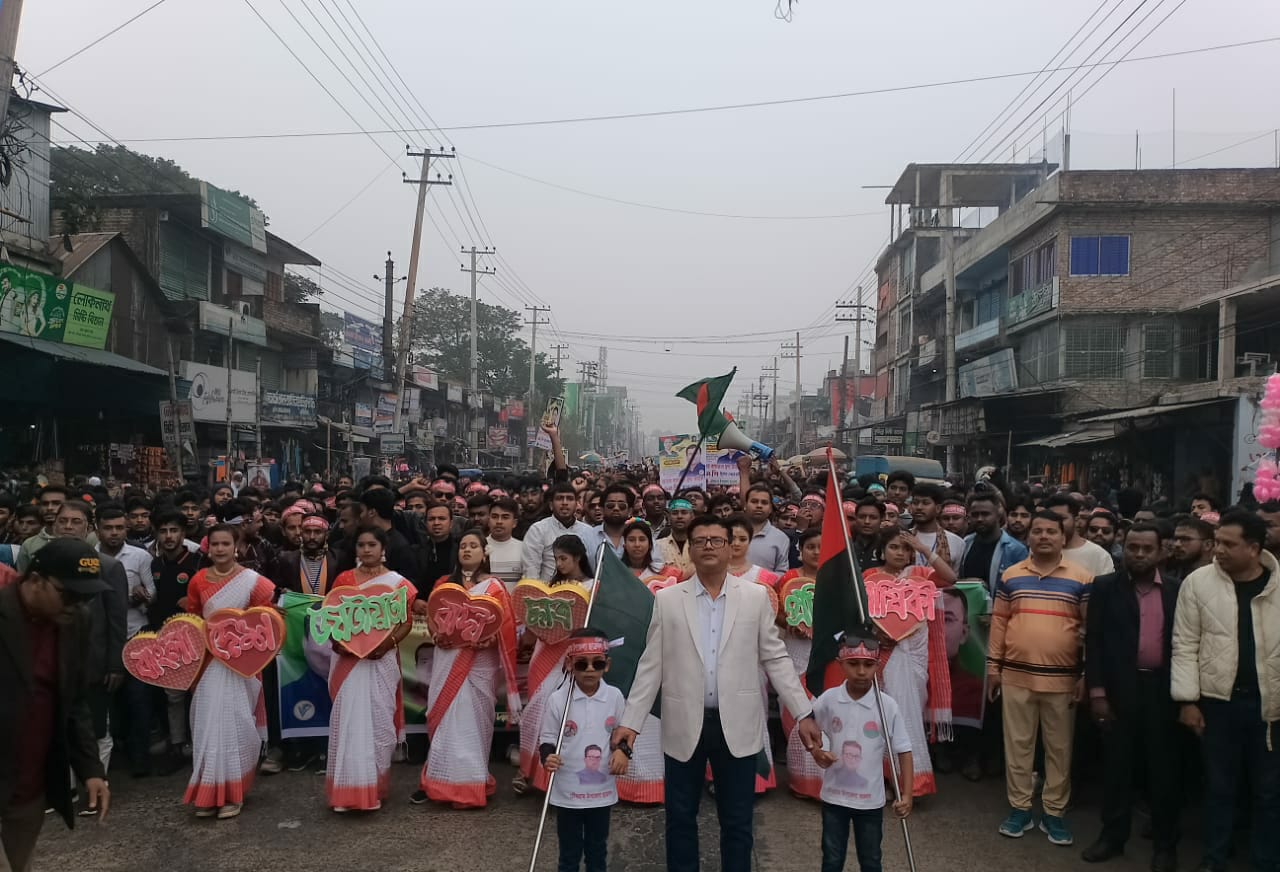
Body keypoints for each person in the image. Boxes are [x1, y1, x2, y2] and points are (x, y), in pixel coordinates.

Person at [612, 515, 821, 872]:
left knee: (737, 822)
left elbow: (776, 658)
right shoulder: (668, 600)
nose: (708, 546)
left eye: (716, 540)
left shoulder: (755, 597)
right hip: (683, 724)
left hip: (737, 725)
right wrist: (630, 723)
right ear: (690, 550)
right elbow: (651, 666)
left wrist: (803, 713)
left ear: (730, 547)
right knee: (680, 818)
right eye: (700, 541)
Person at [1171, 509, 1279, 872]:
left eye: (1229, 544)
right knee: (1219, 788)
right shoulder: (1198, 583)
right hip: (1218, 704)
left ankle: (1265, 861)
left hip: (1270, 706)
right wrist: (1187, 700)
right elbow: (1184, 643)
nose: (1218, 550)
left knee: (1269, 792)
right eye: (1217, 542)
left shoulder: (1277, 583)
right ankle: (1213, 859)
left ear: (1254, 548)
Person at [0, 539, 112, 872]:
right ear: (35, 580)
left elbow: (74, 701)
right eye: (69, 594)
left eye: (85, 597)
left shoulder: (75, 621)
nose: (77, 604)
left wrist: (91, 769)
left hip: (28, 785)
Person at [988, 510, 1092, 846]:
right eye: (1037, 531)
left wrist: (1085, 674)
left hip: (1063, 681)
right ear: (1028, 537)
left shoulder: (1082, 578)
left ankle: (1054, 812)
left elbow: (1089, 630)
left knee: (1059, 750)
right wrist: (993, 668)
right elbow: (999, 623)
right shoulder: (1012, 575)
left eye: (1051, 531)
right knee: (1017, 746)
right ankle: (1019, 808)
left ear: (1064, 537)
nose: (1044, 536)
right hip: (1015, 675)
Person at [1082, 523, 1181, 872]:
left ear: (1161, 552)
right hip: (1118, 691)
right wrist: (1097, 693)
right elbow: (1094, 641)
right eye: (1133, 547)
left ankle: (1166, 846)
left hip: (1163, 692)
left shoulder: (1177, 590)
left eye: (1146, 549)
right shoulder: (1105, 587)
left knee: (1164, 772)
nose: (1138, 554)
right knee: (1117, 768)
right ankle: (1112, 837)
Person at [420, 528, 520, 807]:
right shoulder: (444, 583)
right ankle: (441, 784)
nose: (466, 550)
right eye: (463, 545)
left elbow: (505, 627)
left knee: (473, 721)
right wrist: (437, 635)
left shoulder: (495, 587)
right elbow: (433, 618)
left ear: (484, 553)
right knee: (445, 717)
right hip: (448, 657)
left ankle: (470, 786)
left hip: (479, 663)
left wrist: (488, 639)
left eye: (473, 546)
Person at [183, 524, 278, 819]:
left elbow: (266, 621)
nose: (220, 549)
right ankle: (208, 792)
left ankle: (233, 794)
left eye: (226, 544)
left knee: (235, 725)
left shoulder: (254, 582)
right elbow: (193, 620)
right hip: (208, 665)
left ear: (236, 547)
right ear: (208, 548)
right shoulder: (198, 580)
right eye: (215, 544)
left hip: (241, 665)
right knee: (207, 725)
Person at [324, 527, 416, 813]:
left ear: (383, 548)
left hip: (381, 660)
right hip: (348, 661)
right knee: (348, 722)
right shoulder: (343, 579)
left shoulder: (398, 583)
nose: (366, 549)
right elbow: (332, 615)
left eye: (372, 544)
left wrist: (386, 644)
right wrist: (338, 643)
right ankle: (346, 791)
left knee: (378, 722)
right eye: (361, 544)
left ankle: (373, 788)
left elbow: (406, 622)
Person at [808, 628, 913, 872]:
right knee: (832, 859)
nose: (862, 671)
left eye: (868, 664)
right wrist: (817, 752)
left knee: (871, 860)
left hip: (870, 802)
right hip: (834, 798)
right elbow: (810, 729)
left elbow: (904, 750)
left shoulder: (887, 706)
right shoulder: (829, 700)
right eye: (853, 664)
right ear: (840, 664)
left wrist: (907, 794)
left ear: (878, 665)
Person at [539, 629, 628, 872]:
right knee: (569, 854)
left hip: (601, 792)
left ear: (607, 665)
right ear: (570, 664)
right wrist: (547, 756)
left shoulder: (615, 697)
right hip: (568, 792)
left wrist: (622, 751)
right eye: (582, 664)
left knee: (597, 851)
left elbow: (623, 733)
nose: (590, 669)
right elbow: (547, 738)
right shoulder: (558, 700)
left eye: (597, 663)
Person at [518, 535, 595, 795]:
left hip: (572, 657)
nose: (559, 564)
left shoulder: (593, 586)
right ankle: (528, 772)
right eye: (556, 559)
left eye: (564, 558)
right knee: (536, 712)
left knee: (564, 716)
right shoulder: (547, 589)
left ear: (578, 558)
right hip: (543, 656)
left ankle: (555, 780)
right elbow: (532, 623)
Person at [95, 504, 156, 778]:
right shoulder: (89, 557)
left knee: (139, 700)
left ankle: (140, 758)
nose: (114, 533)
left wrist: (141, 597)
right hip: (103, 639)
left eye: (119, 528)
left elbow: (152, 592)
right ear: (97, 529)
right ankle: (111, 754)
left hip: (136, 636)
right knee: (107, 701)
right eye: (108, 528)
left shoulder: (139, 556)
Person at [148, 510, 203, 765]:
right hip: (166, 640)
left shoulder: (198, 562)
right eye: (163, 531)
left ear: (183, 533)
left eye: (174, 531)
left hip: (196, 638)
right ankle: (178, 744)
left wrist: (192, 601)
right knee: (173, 695)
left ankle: (200, 742)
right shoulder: (154, 565)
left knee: (198, 694)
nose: (169, 536)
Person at [959, 491, 1028, 598]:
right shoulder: (965, 543)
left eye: (985, 514)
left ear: (998, 515)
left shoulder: (1016, 550)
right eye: (975, 515)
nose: (980, 519)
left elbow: (1022, 588)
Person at [522, 483, 597, 582]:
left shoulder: (589, 531)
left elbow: (594, 567)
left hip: (583, 589)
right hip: (547, 589)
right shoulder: (538, 530)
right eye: (559, 498)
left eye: (569, 499)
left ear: (576, 504)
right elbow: (531, 571)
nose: (565, 503)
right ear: (551, 505)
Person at [1044, 494, 1115, 579]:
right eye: (1051, 519)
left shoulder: (1099, 556)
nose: (1055, 524)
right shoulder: (1039, 551)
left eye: (1062, 519)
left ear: (1076, 520)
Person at [356, 489, 419, 583]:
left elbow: (405, 584)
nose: (360, 516)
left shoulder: (400, 546)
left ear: (372, 512)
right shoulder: (361, 537)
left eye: (361, 511)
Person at [908, 483, 964, 573]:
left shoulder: (957, 542)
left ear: (938, 508)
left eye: (925, 503)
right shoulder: (903, 537)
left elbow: (955, 578)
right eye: (915, 503)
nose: (919, 507)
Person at [741, 479, 790, 575]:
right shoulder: (731, 532)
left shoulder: (781, 538)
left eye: (764, 503)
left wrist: (761, 580)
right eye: (754, 501)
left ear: (770, 508)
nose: (759, 506)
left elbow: (781, 573)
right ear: (745, 505)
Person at [655, 498, 695, 581]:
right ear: (669, 517)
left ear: (692, 516)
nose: (679, 516)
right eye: (675, 513)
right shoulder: (657, 546)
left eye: (684, 512)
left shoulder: (701, 544)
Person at [485, 497, 524, 580]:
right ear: (488, 521)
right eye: (494, 517)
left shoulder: (524, 548)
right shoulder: (479, 546)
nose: (499, 521)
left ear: (514, 523)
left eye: (505, 517)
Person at [852, 498, 885, 571]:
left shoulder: (886, 546)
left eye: (873, 518)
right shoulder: (846, 546)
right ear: (856, 517)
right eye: (862, 517)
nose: (867, 521)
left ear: (882, 519)